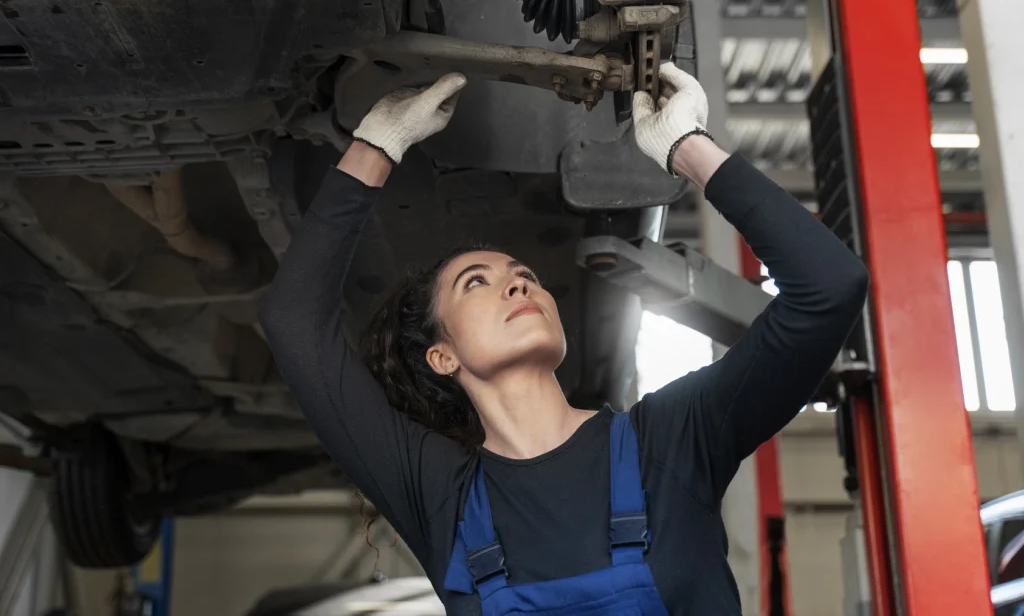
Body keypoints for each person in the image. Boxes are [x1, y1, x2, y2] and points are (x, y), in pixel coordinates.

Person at [259, 65, 869, 615]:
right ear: (441, 356)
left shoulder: (672, 440)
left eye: (525, 277)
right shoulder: (437, 493)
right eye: (479, 283)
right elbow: (295, 322)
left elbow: (829, 287)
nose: (517, 286)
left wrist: (688, 149)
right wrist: (374, 147)